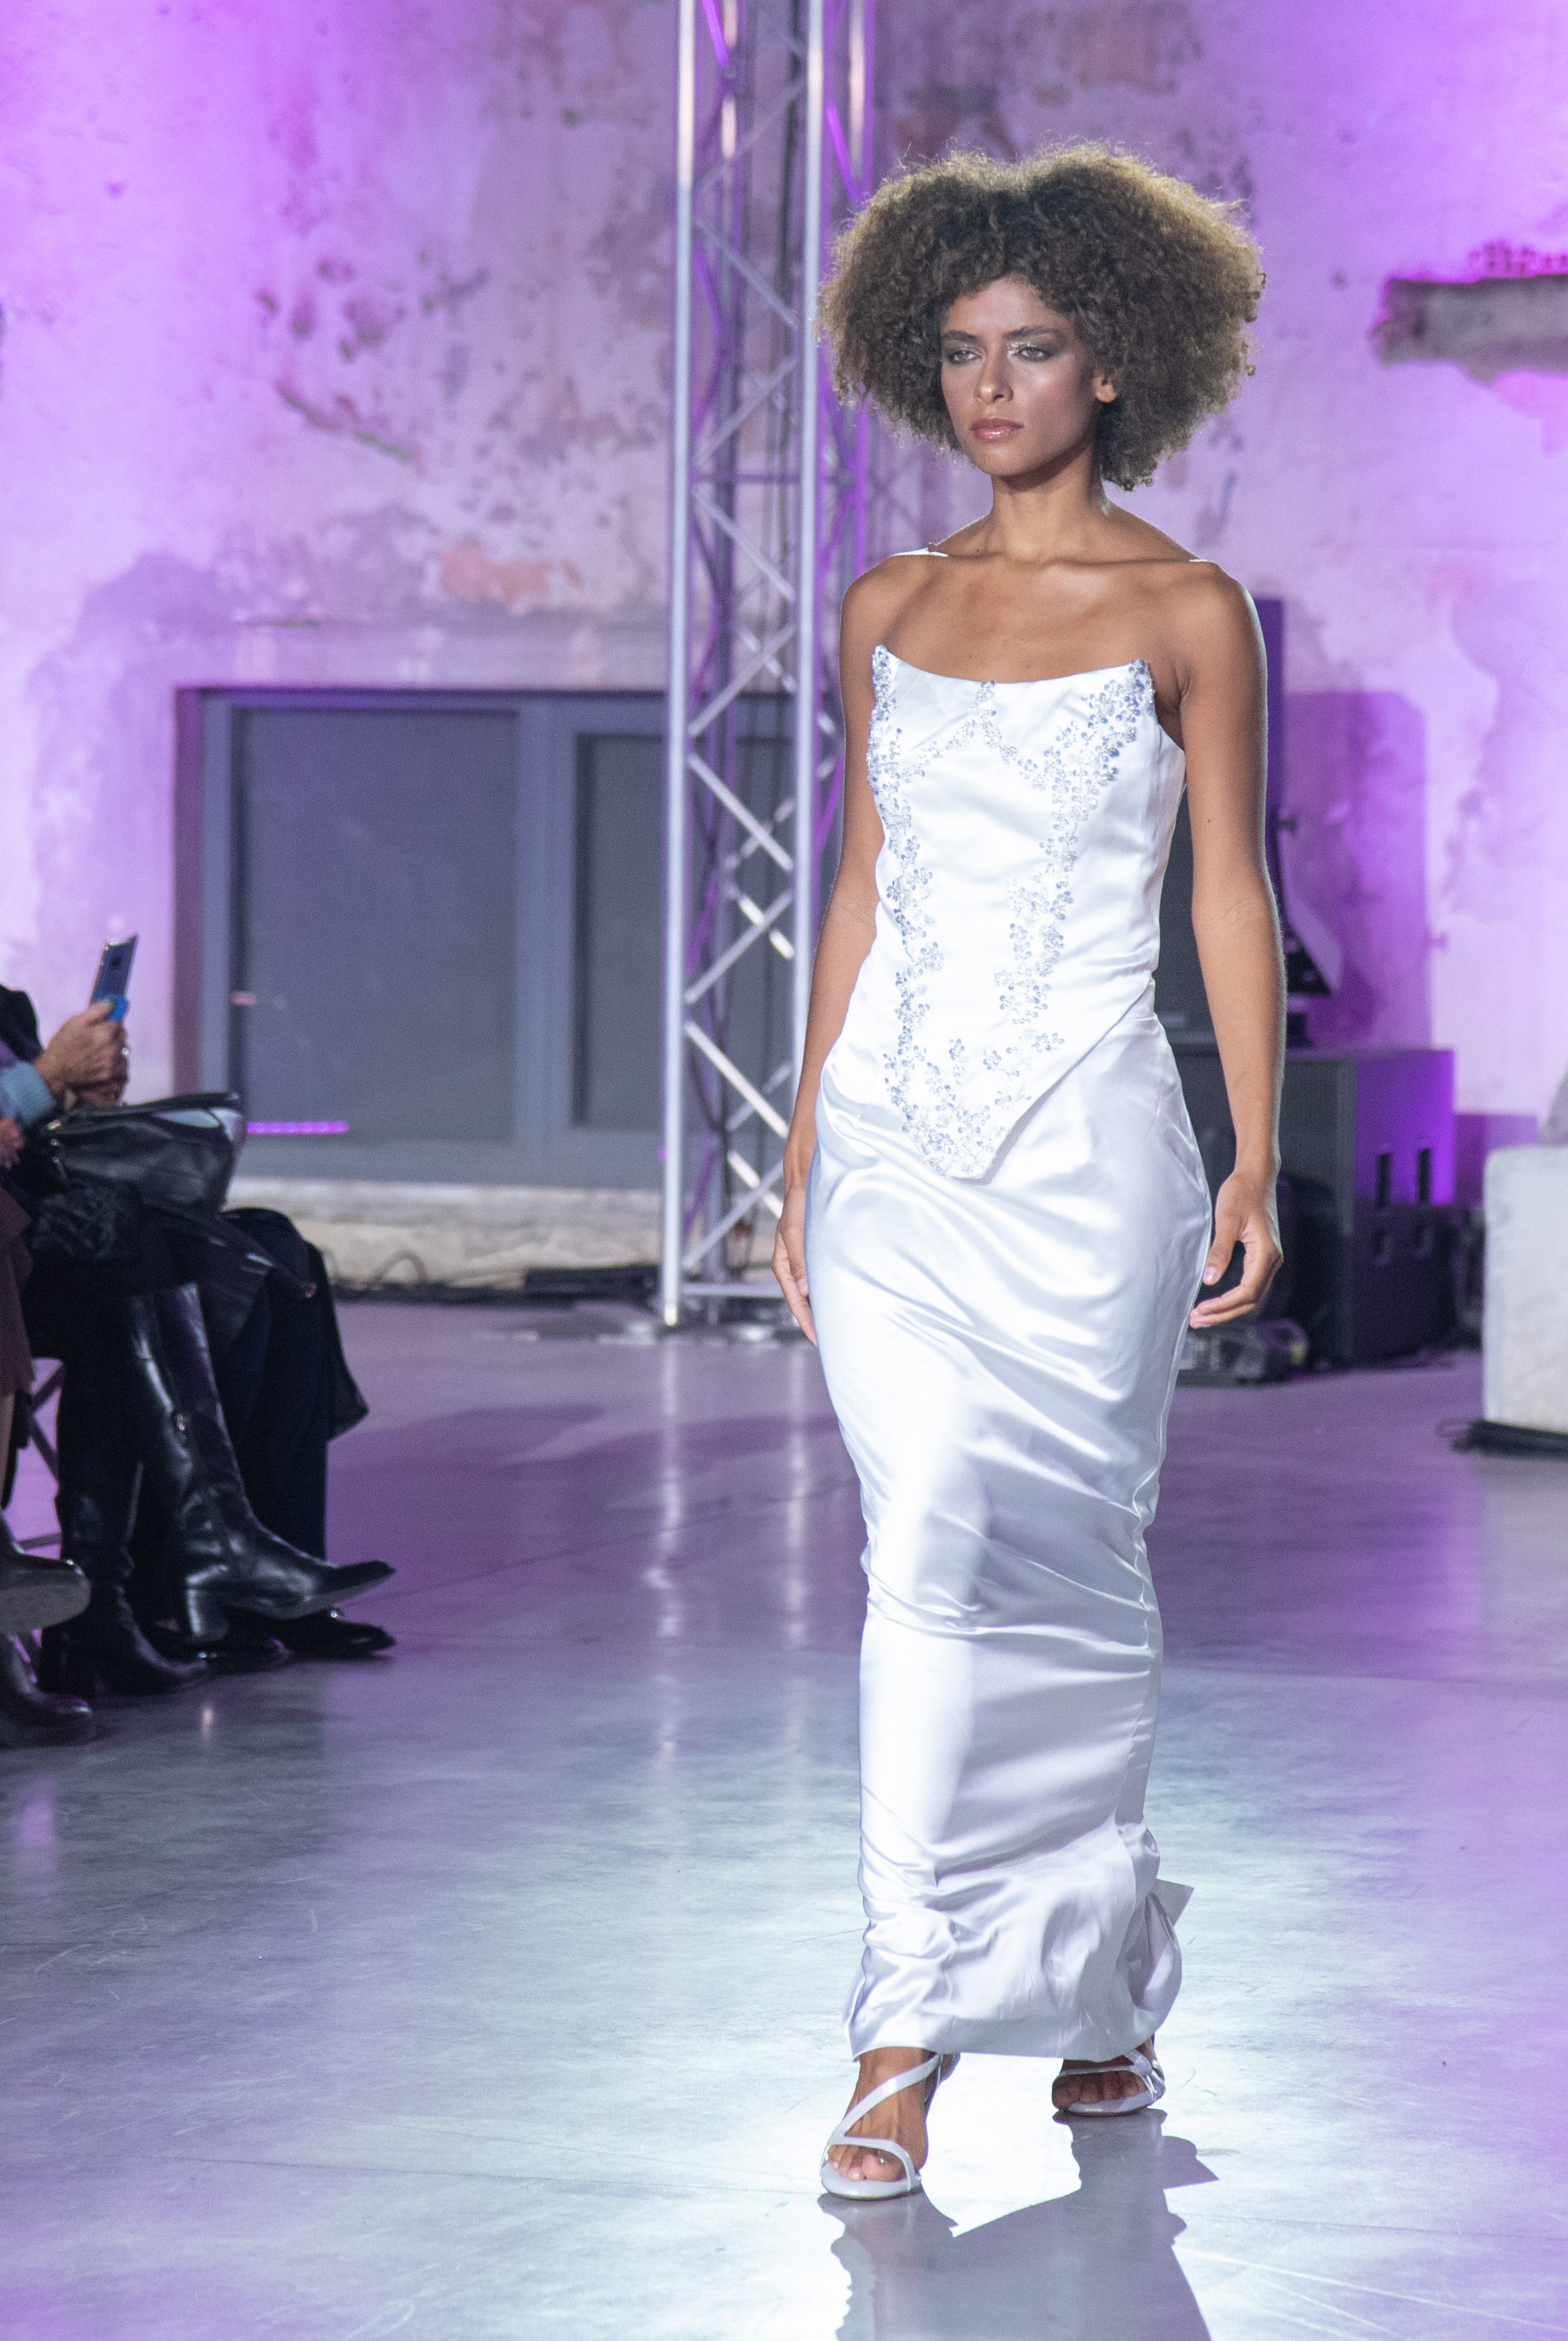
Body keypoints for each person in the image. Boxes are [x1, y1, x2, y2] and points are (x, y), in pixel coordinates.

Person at [771, 146, 1283, 2196]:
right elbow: (862, 885)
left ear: (1114, 361)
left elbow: (1226, 892)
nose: (992, 388)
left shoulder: (1187, 611)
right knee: (930, 1541)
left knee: (1071, 1565)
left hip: (1093, 1152)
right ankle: (902, 2028)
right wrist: (801, 1142)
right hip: (892, 1151)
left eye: (1034, 348)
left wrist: (1252, 1154)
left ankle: (1089, 1990)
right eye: (963, 351)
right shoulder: (886, 607)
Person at [0, 983, 392, 1699]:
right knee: (172, 1261)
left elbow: (39, 1143)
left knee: (279, 1251)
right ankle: (164, 1585)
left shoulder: (6, 1009)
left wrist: (83, 1096)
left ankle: (262, 1575)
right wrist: (47, 1076)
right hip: (21, 1248)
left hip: (45, 1224)